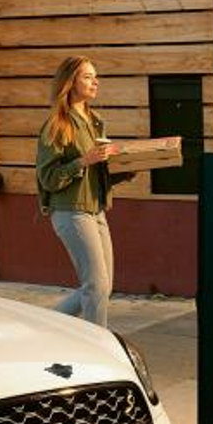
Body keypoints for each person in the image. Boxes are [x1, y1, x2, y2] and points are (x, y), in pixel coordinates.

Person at [35, 56, 134, 328]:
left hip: (97, 210)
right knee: (96, 286)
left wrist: (128, 168)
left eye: (95, 76)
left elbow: (97, 173)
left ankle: (49, 325)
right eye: (88, 77)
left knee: (102, 286)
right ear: (70, 82)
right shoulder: (57, 125)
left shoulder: (95, 121)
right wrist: (83, 161)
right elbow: (48, 178)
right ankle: (97, 343)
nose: (95, 82)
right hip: (70, 212)